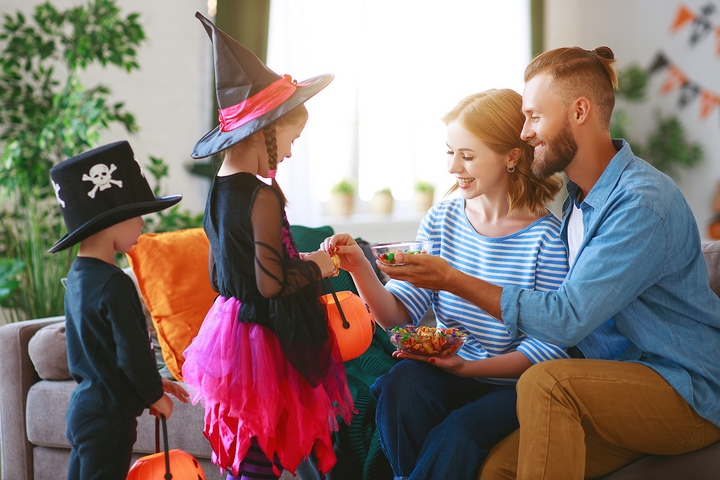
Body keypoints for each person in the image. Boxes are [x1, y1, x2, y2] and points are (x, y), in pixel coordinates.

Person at [379, 46, 720, 480]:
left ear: (580, 111)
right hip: (613, 384)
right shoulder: (580, 203)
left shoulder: (640, 204)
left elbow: (567, 320)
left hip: (686, 391)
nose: (523, 133)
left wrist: (451, 279)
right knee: (497, 469)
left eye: (535, 117)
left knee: (547, 382)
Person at [323, 88, 571, 480]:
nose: (454, 167)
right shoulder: (443, 220)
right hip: (449, 369)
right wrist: (359, 268)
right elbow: (397, 319)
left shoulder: (547, 240)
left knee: (459, 433)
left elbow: (549, 347)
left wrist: (469, 368)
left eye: (468, 156)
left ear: (511, 156)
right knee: (397, 387)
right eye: (450, 152)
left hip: (513, 383)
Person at [180, 13, 354, 480]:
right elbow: (272, 283)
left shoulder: (218, 189)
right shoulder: (261, 195)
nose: (292, 152)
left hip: (231, 324)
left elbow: (224, 274)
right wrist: (318, 265)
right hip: (264, 336)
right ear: (263, 131)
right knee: (269, 439)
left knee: (250, 436)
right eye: (291, 140)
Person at [48, 140, 189, 480]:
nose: (142, 223)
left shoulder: (78, 277)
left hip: (84, 410)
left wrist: (152, 382)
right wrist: (155, 395)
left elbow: (101, 352)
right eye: (136, 214)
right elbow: (131, 353)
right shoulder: (115, 283)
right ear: (108, 222)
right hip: (109, 419)